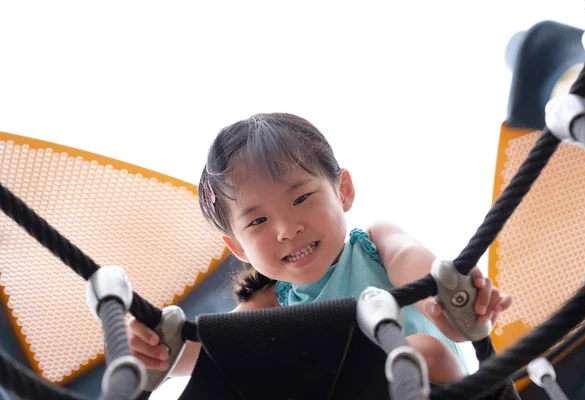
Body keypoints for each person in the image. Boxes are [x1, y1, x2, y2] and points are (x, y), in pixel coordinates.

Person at [126, 113, 512, 384]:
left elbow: (417, 268)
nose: (287, 229)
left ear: (342, 190)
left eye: (301, 198)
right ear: (238, 247)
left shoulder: (376, 244)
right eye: (258, 221)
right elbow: (206, 354)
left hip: (430, 386)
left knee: (423, 350)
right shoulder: (269, 302)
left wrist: (451, 301)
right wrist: (151, 345)